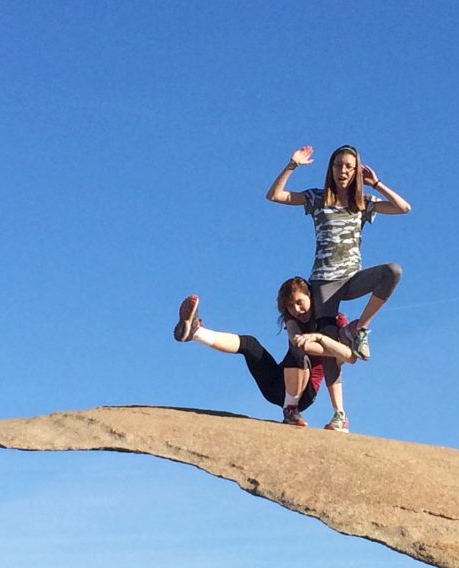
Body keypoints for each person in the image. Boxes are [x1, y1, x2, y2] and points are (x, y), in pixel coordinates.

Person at [265, 145, 411, 387]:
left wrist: (376, 184)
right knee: (329, 347)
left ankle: (359, 329)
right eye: (338, 165)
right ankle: (339, 414)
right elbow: (275, 195)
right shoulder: (317, 198)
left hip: (352, 277)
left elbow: (403, 208)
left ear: (356, 172)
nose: (342, 171)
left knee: (392, 271)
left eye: (349, 167)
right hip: (324, 282)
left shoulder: (363, 203)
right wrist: (293, 165)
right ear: (330, 168)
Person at [173, 276, 356, 431]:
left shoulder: (334, 321)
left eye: (300, 302)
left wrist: (320, 338)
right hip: (276, 385)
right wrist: (307, 340)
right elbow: (295, 338)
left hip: (304, 394)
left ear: (311, 297)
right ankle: (196, 333)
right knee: (249, 343)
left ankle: (291, 410)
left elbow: (350, 356)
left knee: (299, 351)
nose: (296, 310)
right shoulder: (292, 318)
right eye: (290, 306)